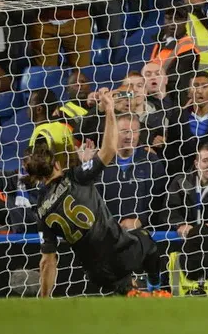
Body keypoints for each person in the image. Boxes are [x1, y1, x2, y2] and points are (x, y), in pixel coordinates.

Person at [18, 91, 170, 298]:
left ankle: (130, 292)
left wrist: (44, 299)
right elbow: (108, 150)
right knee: (146, 241)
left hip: (95, 273)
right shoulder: (76, 177)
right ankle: (157, 289)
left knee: (122, 284)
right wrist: (108, 110)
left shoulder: (41, 209)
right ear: (55, 164)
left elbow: (47, 261)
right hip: (120, 251)